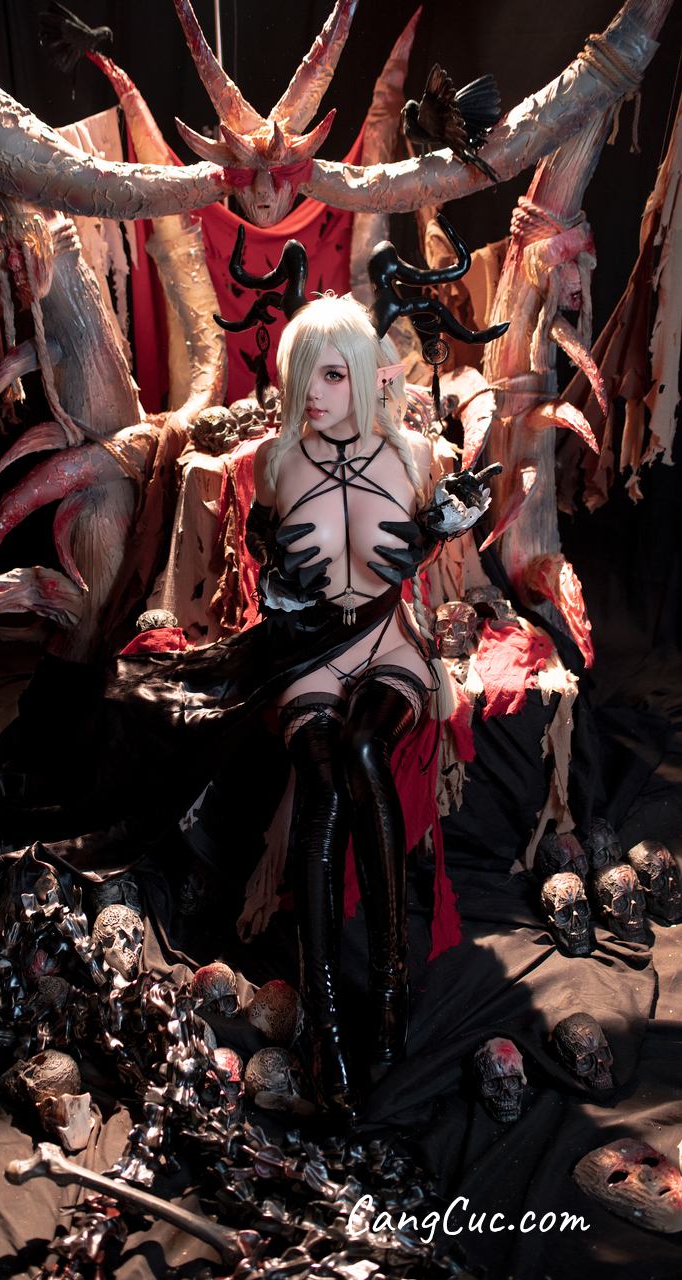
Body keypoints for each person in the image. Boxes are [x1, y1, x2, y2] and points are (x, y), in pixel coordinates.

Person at [246, 293, 457, 1120]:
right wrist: (273, 575)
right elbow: (260, 558)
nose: (314, 393)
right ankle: (328, 1021)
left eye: (333, 376)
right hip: (311, 652)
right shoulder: (274, 461)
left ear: (367, 377)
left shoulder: (413, 454)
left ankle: (391, 985)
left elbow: (429, 557)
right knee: (324, 782)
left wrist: (433, 536)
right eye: (303, 375)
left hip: (388, 643)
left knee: (365, 747)